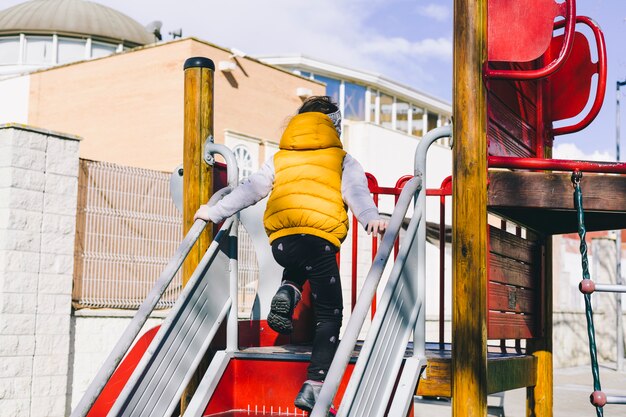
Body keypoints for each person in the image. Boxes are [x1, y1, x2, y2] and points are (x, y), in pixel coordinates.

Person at [194, 96, 387, 412]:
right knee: (331, 314)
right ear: (333, 126)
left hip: (282, 243)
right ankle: (315, 384)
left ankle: (289, 287)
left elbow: (251, 189)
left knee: (300, 260)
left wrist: (215, 212)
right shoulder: (342, 159)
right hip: (320, 240)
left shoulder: (280, 157)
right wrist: (370, 219)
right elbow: (356, 193)